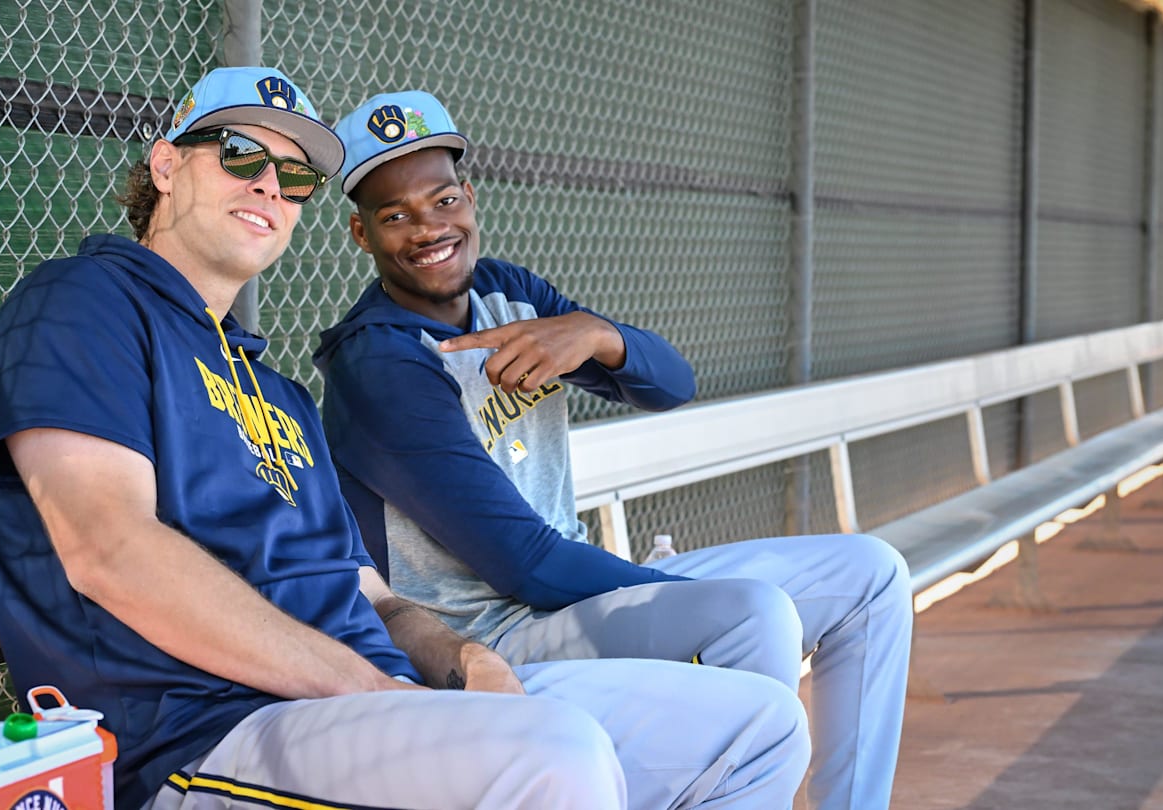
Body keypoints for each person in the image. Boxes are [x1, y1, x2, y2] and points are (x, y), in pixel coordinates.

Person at [0, 67, 811, 810]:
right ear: (166, 165)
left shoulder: (277, 393)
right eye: (242, 156)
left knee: (757, 725)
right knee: (556, 754)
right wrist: (371, 688)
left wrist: (460, 662)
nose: (270, 186)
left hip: (377, 697)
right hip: (212, 732)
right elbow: (109, 549)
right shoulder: (85, 303)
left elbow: (374, 598)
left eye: (293, 176)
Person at [314, 90, 914, 810]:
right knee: (751, 614)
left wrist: (600, 335)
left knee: (870, 575)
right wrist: (677, 596)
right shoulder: (378, 361)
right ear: (360, 234)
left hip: (564, 598)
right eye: (395, 215)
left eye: (443, 200)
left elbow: (672, 385)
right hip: (482, 640)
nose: (427, 228)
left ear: (470, 196)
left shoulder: (507, 293)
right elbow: (526, 566)